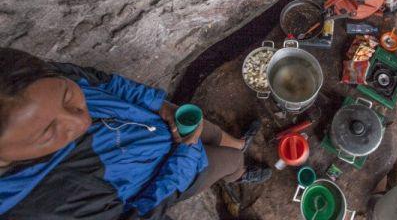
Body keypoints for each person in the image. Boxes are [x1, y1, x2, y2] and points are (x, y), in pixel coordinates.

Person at [0, 48, 271, 219]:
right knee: (228, 161)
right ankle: (238, 173)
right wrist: (185, 155)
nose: (81, 120)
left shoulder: (30, 76)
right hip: (173, 171)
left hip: (160, 120)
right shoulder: (43, 206)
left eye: (68, 96)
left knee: (211, 131)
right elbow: (144, 212)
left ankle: (240, 144)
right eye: (49, 132)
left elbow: (101, 81)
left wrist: (159, 105)